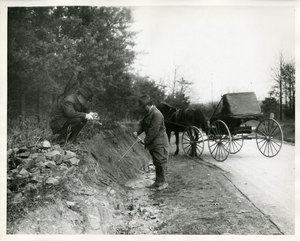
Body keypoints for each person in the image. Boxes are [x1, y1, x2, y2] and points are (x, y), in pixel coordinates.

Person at [134, 95, 169, 190]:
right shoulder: (149, 113)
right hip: (154, 143)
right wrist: (137, 132)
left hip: (159, 142)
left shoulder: (157, 114)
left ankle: (164, 183)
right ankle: (158, 182)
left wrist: (145, 141)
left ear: (146, 106)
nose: (142, 109)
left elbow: (153, 130)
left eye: (142, 107)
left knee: (161, 162)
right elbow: (143, 124)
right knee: (156, 162)